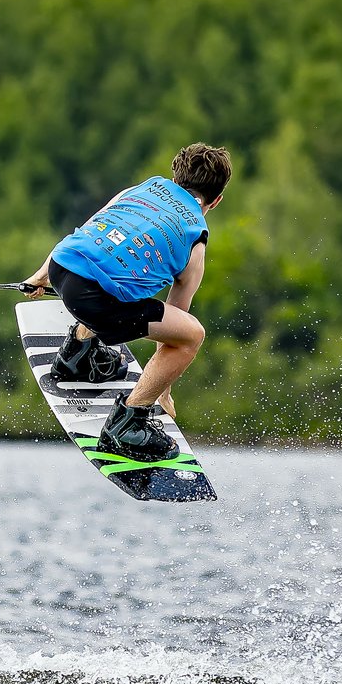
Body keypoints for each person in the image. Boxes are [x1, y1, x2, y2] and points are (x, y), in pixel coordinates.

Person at [23, 143, 231, 462]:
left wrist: (41, 275)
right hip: (94, 302)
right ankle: (128, 422)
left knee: (123, 282)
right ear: (215, 201)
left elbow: (90, 229)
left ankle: (77, 355)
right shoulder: (195, 238)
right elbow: (174, 327)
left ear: (176, 178)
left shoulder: (141, 190)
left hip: (61, 265)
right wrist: (163, 389)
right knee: (192, 335)